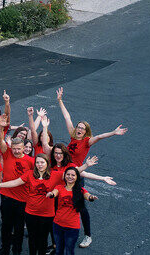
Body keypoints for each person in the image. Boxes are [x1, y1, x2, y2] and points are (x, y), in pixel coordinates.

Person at [57, 87, 126, 248]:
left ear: (86, 131)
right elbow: (67, 117)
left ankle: (88, 235)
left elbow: (100, 137)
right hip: (64, 172)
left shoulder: (87, 141)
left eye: (82, 128)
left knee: (80, 206)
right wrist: (60, 100)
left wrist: (114, 133)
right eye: (78, 127)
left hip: (77, 175)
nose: (79, 129)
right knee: (60, 200)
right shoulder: (73, 136)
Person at [48, 168, 98, 255]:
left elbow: (87, 195)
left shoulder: (80, 190)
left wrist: (91, 198)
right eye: (68, 174)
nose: (70, 177)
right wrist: (51, 194)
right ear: (64, 176)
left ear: (77, 177)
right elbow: (54, 192)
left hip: (72, 227)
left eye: (73, 175)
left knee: (69, 251)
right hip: (57, 225)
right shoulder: (59, 187)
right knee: (58, 250)